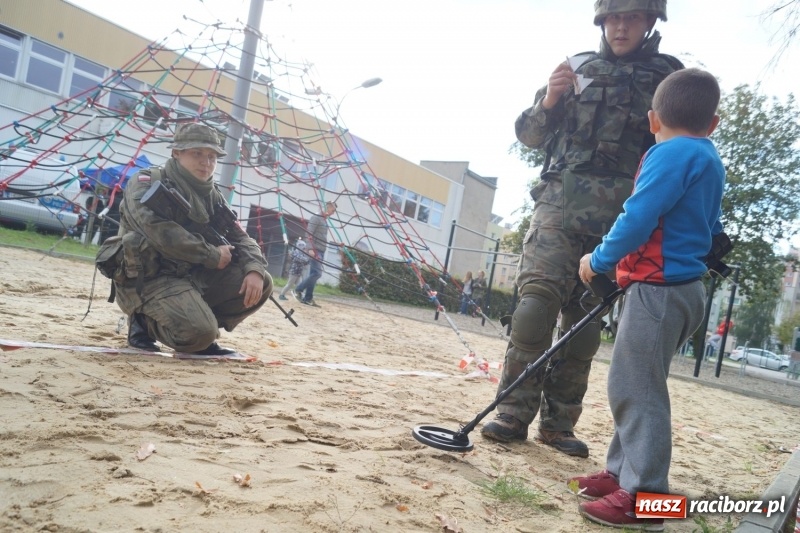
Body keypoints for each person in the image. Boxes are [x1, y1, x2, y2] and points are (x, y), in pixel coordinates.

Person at [480, 0, 683, 458]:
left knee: (586, 321)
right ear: (601, 22)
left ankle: (558, 422)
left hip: (624, 216)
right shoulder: (576, 68)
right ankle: (512, 410)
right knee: (535, 306)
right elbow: (530, 137)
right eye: (613, 18)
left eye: (631, 17)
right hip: (559, 205)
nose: (621, 26)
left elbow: (679, 148)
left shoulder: (669, 77)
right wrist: (550, 99)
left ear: (651, 21)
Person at [573, 68, 724, 529]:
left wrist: (597, 260)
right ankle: (620, 473)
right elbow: (709, 229)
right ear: (712, 123)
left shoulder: (669, 153)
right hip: (682, 290)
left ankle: (645, 496)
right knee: (636, 381)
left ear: (652, 119)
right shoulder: (707, 156)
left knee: (635, 389)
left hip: (659, 290)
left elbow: (637, 216)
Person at [100, 123, 272, 355]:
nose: (206, 162)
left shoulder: (212, 195)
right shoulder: (146, 182)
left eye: (212, 156)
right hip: (150, 278)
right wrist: (211, 255)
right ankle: (143, 321)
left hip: (191, 275)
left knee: (263, 282)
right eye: (197, 153)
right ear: (176, 153)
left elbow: (240, 236)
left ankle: (199, 323)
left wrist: (255, 268)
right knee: (198, 335)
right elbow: (158, 230)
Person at [294, 201, 336, 307]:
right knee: (317, 274)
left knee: (314, 274)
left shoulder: (324, 220)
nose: (333, 213)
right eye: (333, 210)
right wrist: (310, 248)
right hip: (315, 249)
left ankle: (308, 298)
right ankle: (298, 289)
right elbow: (309, 233)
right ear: (327, 207)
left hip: (321, 250)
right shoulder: (316, 218)